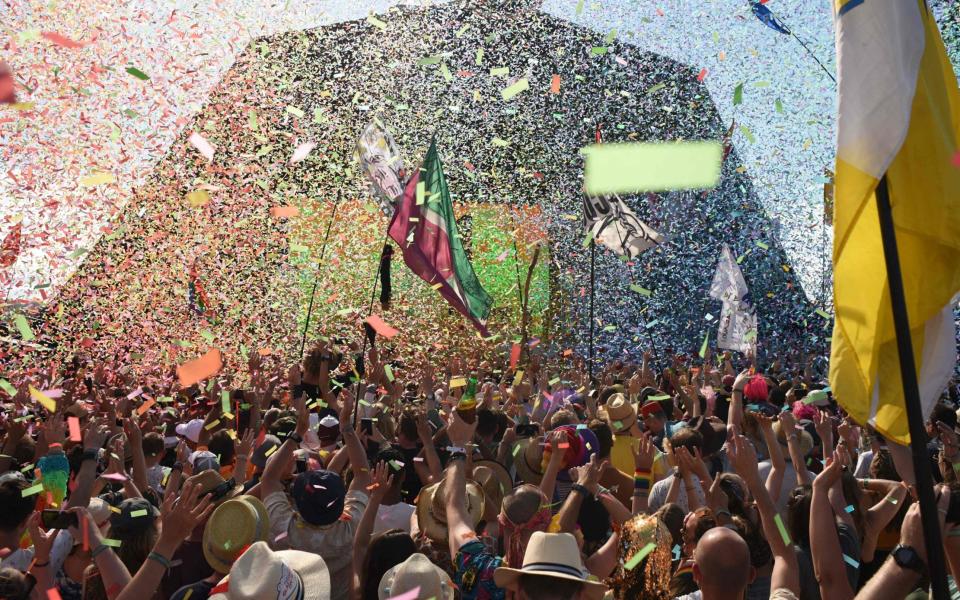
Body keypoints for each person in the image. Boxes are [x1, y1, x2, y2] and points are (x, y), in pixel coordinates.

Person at [260, 393, 371, 600]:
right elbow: (363, 476)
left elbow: (269, 480)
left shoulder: (284, 527)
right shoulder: (351, 528)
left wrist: (298, 432)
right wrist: (346, 427)